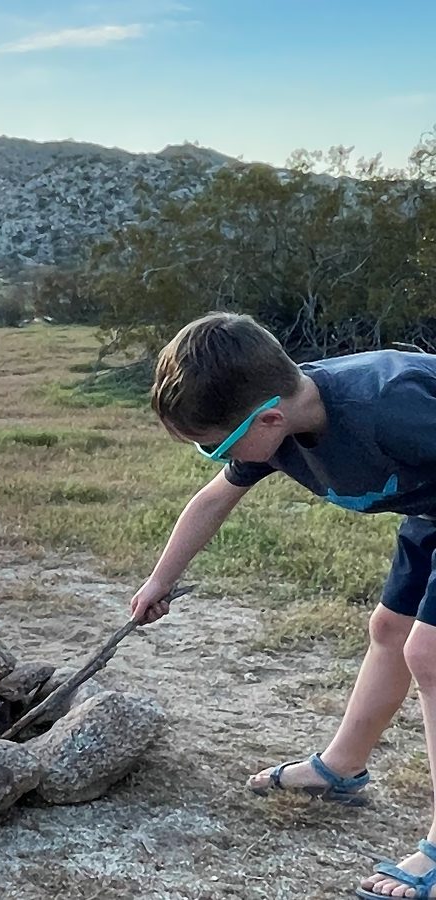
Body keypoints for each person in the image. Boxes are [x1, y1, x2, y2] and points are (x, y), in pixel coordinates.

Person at [130, 311, 436, 900]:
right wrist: (158, 581)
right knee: (391, 630)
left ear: (268, 418)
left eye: (212, 445)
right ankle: (341, 767)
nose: (214, 457)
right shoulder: (276, 430)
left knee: (430, 652)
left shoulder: (389, 406)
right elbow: (213, 500)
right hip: (431, 512)